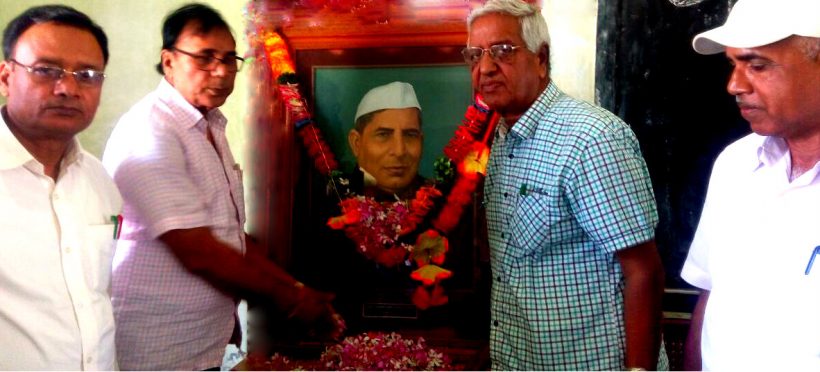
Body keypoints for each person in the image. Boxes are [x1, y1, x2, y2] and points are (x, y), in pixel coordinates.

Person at [102, 4, 340, 370]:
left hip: (205, 343)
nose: (221, 71)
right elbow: (197, 250)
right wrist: (289, 299)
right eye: (205, 58)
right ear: (168, 62)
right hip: (157, 346)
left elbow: (231, 238)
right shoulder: (151, 131)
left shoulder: (208, 125)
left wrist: (294, 289)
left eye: (230, 59)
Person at [466, 0, 667, 370]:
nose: (485, 68)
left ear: (541, 59)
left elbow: (643, 270)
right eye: (475, 55)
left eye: (503, 51)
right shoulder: (503, 138)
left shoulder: (591, 139)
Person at [681, 0, 820, 370]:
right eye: (733, 65)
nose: (734, 85)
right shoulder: (737, 164)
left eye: (757, 65)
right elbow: (710, 296)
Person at [0, 5, 121, 370]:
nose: (68, 88)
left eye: (87, 74)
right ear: (5, 77)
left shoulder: (99, 181)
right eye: (45, 70)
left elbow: (97, 298)